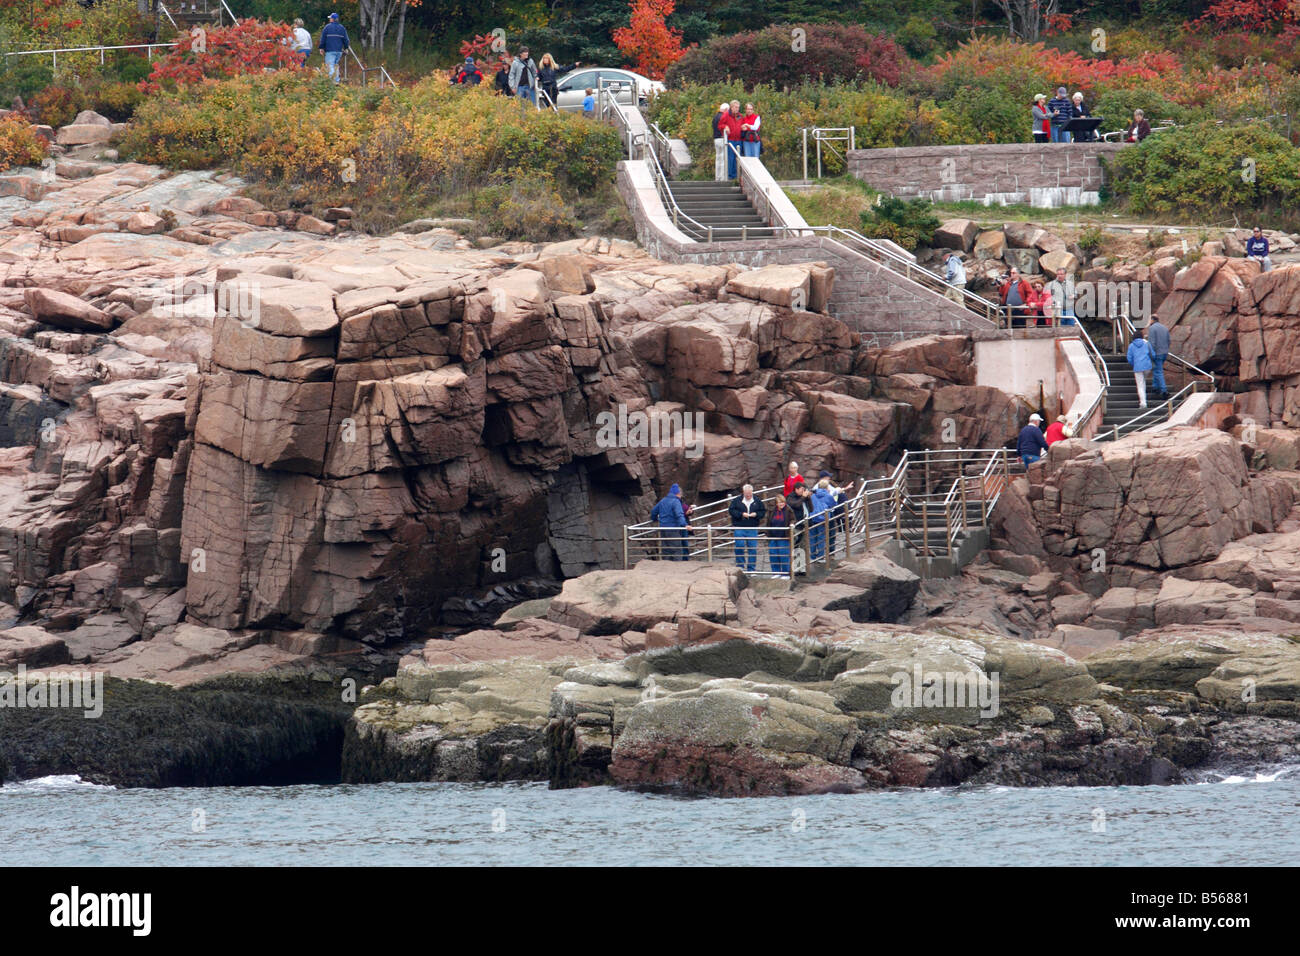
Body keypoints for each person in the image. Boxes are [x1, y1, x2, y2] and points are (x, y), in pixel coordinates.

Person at [728, 483, 765, 572]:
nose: (748, 495)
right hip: (739, 527)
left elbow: (762, 511)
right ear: (743, 492)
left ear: (752, 492)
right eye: (746, 493)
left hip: (752, 527)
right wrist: (741, 514)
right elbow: (731, 510)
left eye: (750, 493)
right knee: (739, 546)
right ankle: (740, 566)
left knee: (752, 549)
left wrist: (756, 514)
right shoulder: (737, 500)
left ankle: (751, 569)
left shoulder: (757, 500)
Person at [650, 483, 691, 560]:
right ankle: (676, 568)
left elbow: (653, 512)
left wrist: (655, 519)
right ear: (678, 493)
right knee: (676, 550)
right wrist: (685, 525)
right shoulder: (676, 502)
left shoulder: (663, 501)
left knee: (666, 550)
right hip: (673, 529)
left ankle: (666, 567)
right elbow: (679, 514)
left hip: (663, 529)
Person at [318, 13, 350, 84]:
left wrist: (321, 48)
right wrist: (346, 48)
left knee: (330, 66)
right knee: (335, 65)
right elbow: (346, 40)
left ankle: (333, 81)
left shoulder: (327, 27)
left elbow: (323, 39)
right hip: (339, 51)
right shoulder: (342, 28)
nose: (329, 19)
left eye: (330, 18)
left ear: (332, 19)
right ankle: (337, 81)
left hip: (330, 50)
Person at [1127, 328, 1154, 409]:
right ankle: (1144, 400)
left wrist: (1133, 364)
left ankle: (1143, 403)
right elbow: (1152, 353)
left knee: (1140, 385)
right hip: (1147, 366)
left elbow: (1129, 358)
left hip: (1138, 367)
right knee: (1143, 382)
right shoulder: (1147, 343)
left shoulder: (1131, 346)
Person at [809, 480, 835, 561]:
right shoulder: (828, 496)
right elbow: (833, 505)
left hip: (812, 519)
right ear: (827, 487)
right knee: (821, 538)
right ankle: (820, 557)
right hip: (823, 519)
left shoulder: (813, 495)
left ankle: (812, 557)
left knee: (812, 538)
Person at [1146, 316, 1170, 399]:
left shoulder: (1152, 328)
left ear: (1152, 320)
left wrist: (1150, 354)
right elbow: (1168, 341)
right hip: (1164, 352)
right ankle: (1155, 387)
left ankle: (1164, 390)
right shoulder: (1165, 328)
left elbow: (1151, 343)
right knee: (1157, 370)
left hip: (1157, 353)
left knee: (1158, 371)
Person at [766, 495, 791, 575]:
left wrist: (791, 525)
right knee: (773, 555)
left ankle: (785, 573)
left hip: (783, 536)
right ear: (776, 503)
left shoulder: (788, 510)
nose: (781, 504)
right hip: (773, 536)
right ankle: (776, 573)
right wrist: (767, 533)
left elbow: (793, 519)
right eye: (780, 502)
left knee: (784, 556)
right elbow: (768, 521)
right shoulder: (772, 511)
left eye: (783, 502)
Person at [723, 100, 743, 179]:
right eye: (735, 107)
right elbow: (720, 124)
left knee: (737, 158)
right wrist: (725, 127)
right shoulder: (726, 115)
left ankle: (736, 175)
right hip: (731, 139)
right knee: (730, 158)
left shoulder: (740, 116)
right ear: (731, 107)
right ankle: (730, 176)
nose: (737, 109)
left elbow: (742, 124)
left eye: (738, 107)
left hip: (739, 139)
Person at [711, 102, 730, 179]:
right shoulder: (723, 117)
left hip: (716, 139)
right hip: (722, 138)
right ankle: (722, 177)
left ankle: (717, 176)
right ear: (725, 109)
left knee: (718, 159)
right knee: (723, 159)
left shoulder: (715, 117)